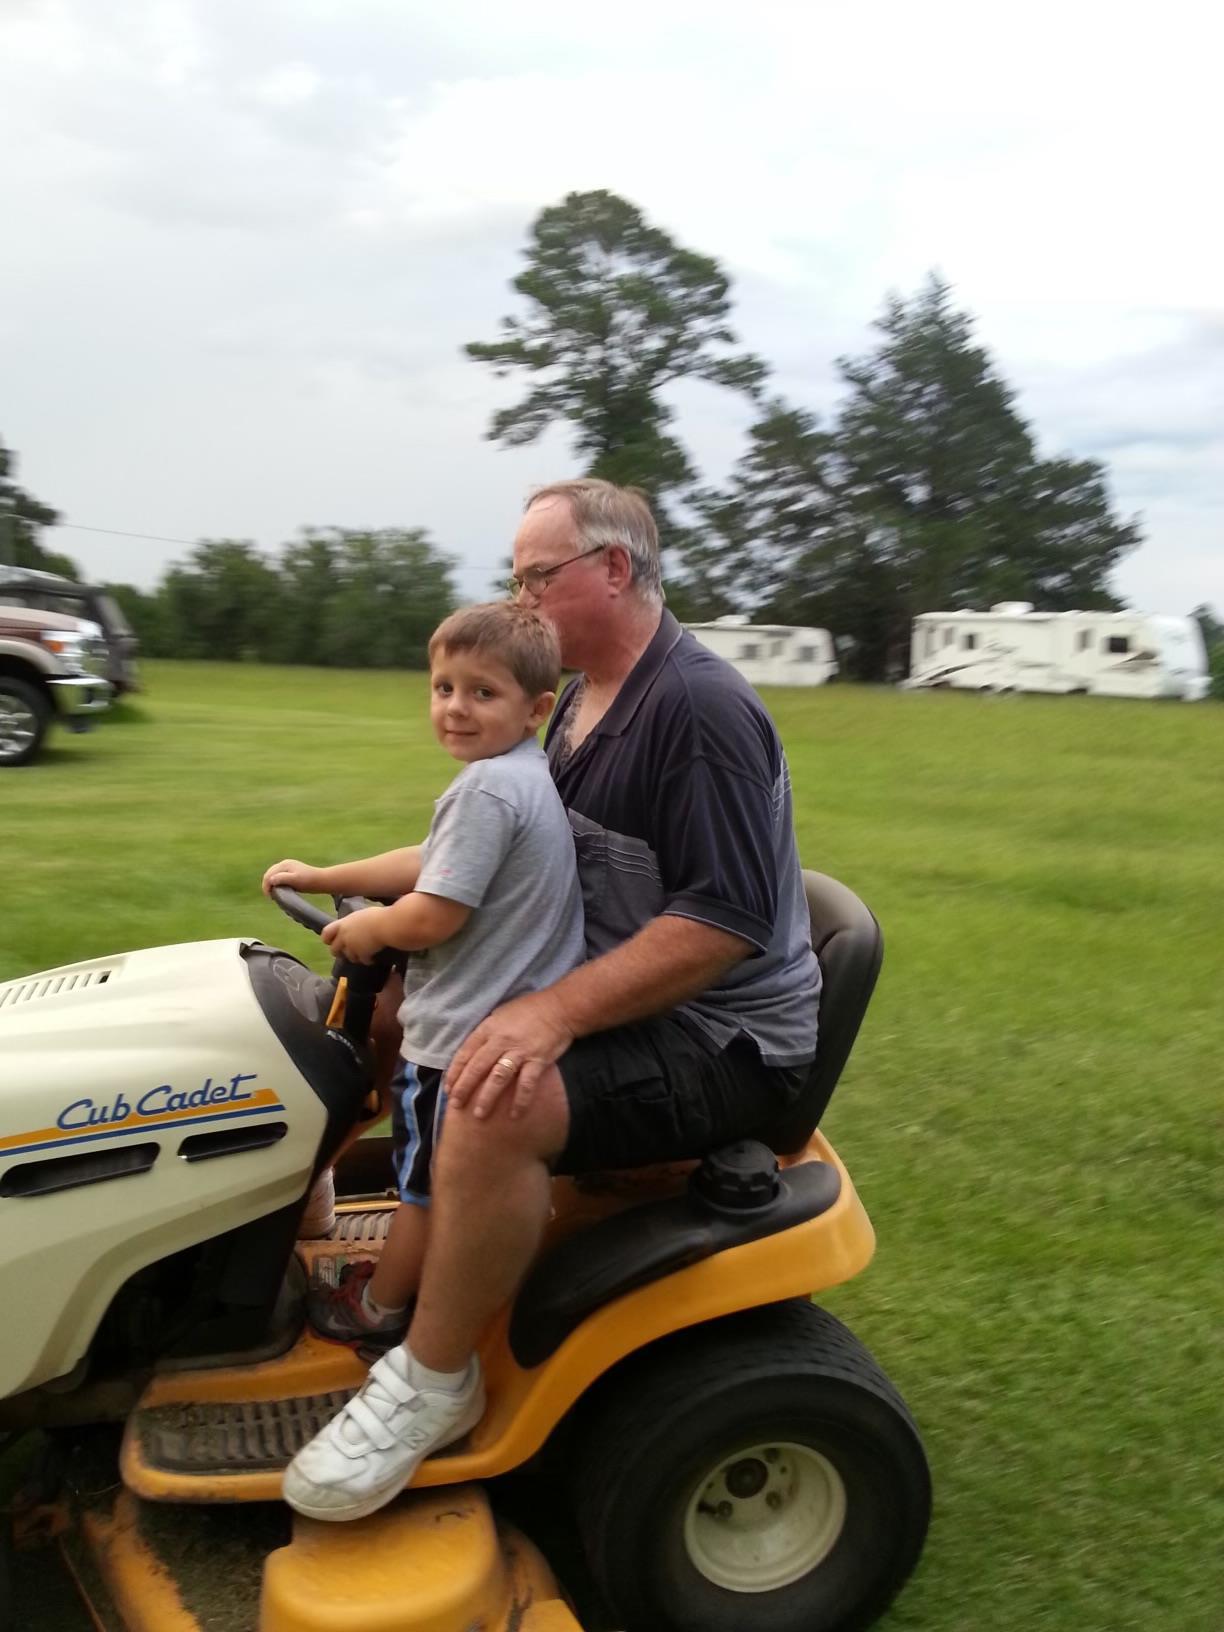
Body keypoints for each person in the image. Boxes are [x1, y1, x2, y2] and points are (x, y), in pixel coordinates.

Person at [282, 479, 821, 1523]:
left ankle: (434, 1380)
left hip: (727, 1036)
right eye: (516, 579)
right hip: (635, 999)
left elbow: (723, 924)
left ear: (612, 570)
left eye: (537, 578)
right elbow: (476, 856)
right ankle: (348, 1233)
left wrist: (550, 1014)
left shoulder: (698, 711)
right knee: (386, 1011)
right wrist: (346, 886)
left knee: (494, 1088)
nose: (521, 602)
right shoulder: (575, 700)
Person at [268, 602, 586, 1522]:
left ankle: (384, 1305)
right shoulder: (516, 777)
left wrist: (360, 927)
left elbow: (434, 912)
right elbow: (430, 862)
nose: (454, 707)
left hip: (459, 1046)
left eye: (480, 693)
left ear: (535, 705)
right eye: (443, 688)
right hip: (481, 1016)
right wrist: (332, 877)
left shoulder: (489, 790)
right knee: (421, 1175)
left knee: (420, 1184)